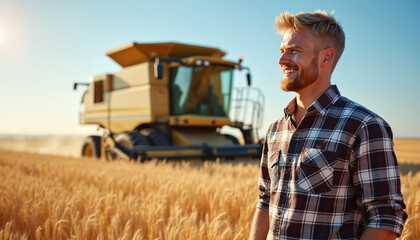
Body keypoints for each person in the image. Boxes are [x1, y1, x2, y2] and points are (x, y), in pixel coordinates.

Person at [249, 11, 407, 240]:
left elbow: (385, 217)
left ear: (326, 57)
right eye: (282, 51)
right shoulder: (275, 129)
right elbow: (265, 200)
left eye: (294, 51)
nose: (282, 60)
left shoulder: (363, 125)